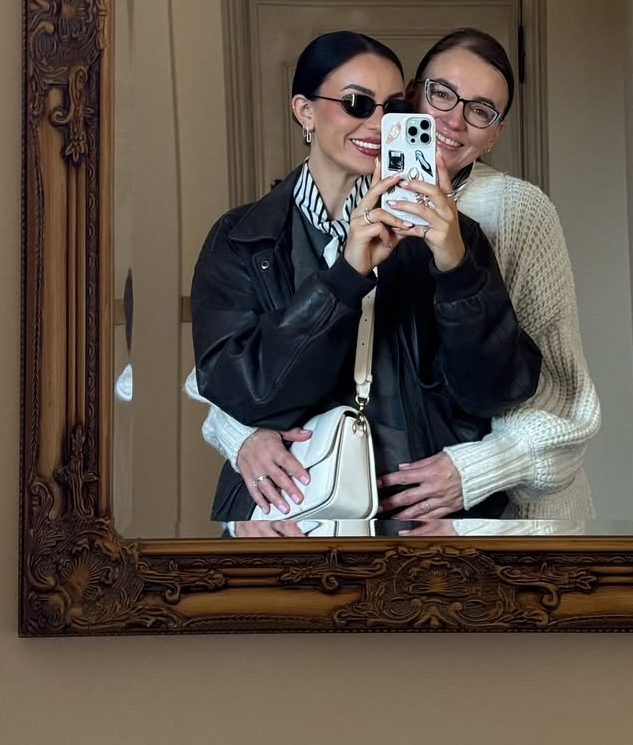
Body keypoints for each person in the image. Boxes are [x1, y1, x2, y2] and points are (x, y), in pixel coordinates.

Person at [189, 27, 600, 530]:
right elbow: (226, 382)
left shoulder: (454, 229)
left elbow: (504, 391)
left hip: (421, 515)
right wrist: (244, 451)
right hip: (290, 513)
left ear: (496, 133)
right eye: (357, 103)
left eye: (389, 108)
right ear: (304, 110)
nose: (378, 122)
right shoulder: (244, 234)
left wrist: (457, 267)